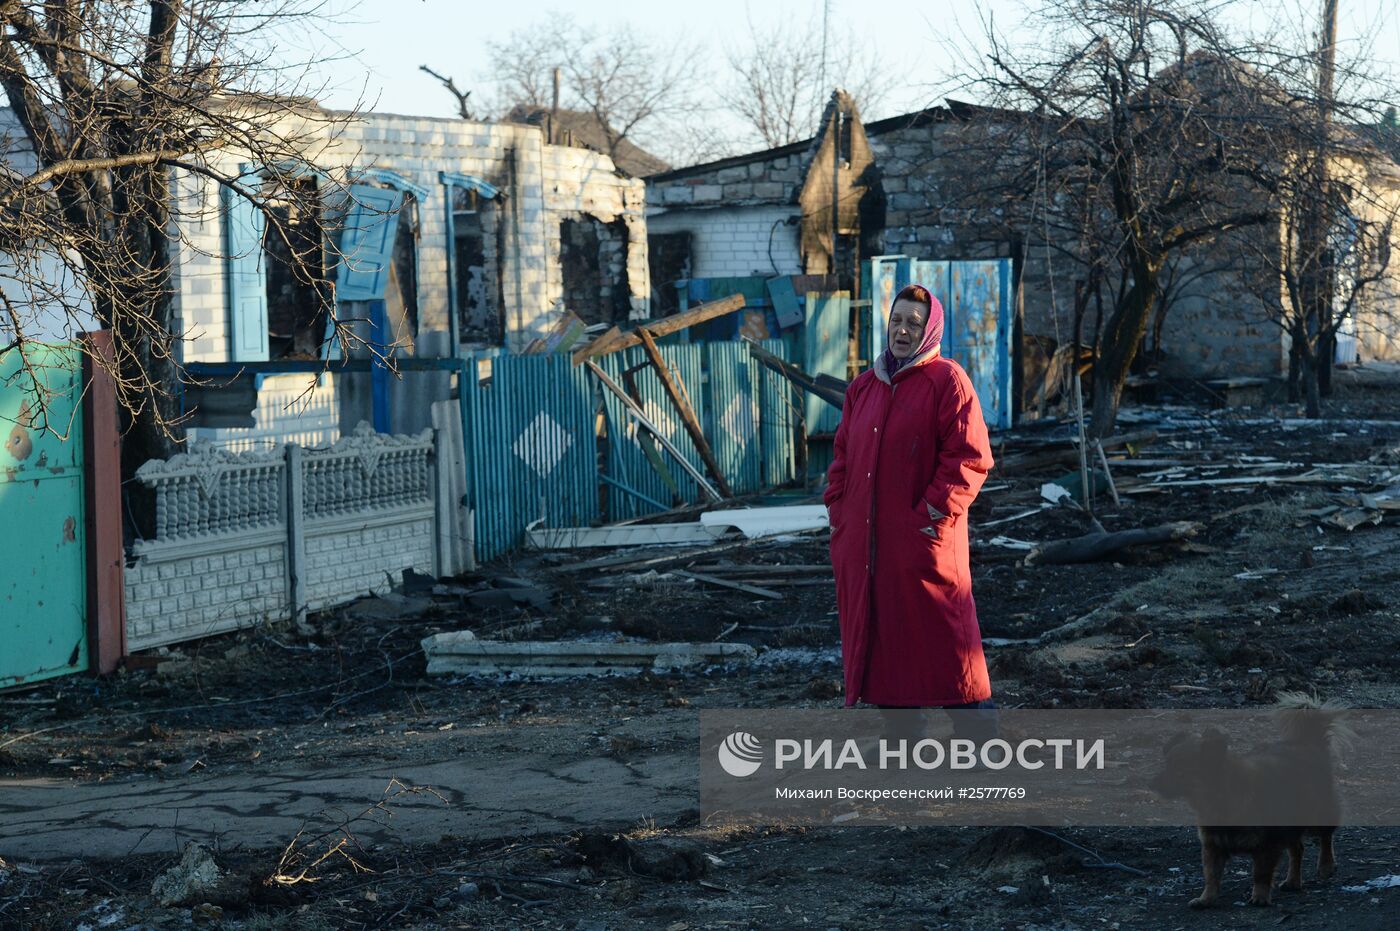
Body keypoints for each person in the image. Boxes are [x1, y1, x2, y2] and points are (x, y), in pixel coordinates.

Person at [824, 283, 996, 733]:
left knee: (948, 644)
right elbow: (841, 460)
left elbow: (969, 460)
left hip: (923, 546)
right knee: (884, 644)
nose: (902, 330)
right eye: (897, 321)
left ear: (930, 328)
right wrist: (840, 517)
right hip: (867, 550)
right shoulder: (864, 388)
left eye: (913, 323)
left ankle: (981, 743)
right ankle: (904, 741)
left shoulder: (947, 381)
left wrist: (930, 520)